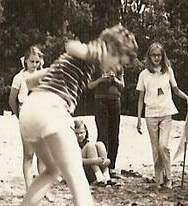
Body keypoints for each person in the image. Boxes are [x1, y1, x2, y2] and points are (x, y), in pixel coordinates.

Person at [18, 24, 138, 206]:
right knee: (78, 180)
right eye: (120, 61)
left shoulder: (72, 64)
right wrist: (98, 50)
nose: (118, 67)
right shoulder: (92, 54)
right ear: (111, 50)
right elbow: (71, 45)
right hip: (52, 109)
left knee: (52, 170)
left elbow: (30, 80)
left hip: (30, 111)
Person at [135, 42, 188, 189]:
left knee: (163, 146)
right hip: (150, 115)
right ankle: (159, 179)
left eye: (159, 55)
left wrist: (187, 98)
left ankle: (169, 177)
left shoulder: (168, 71)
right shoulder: (143, 74)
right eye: (153, 55)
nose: (156, 58)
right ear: (149, 56)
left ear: (163, 56)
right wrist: (138, 119)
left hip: (166, 112)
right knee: (155, 150)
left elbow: (176, 90)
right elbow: (141, 98)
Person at [9, 46, 48, 189]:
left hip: (41, 114)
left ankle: (42, 189)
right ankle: (29, 188)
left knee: (42, 154)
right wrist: (19, 116)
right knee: (29, 153)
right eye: (32, 61)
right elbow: (12, 99)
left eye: (37, 61)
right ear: (25, 61)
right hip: (25, 112)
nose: (35, 64)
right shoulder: (19, 77)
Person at [87, 66, 124, 175]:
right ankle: (103, 167)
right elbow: (89, 85)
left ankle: (112, 166)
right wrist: (101, 80)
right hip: (100, 100)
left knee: (114, 135)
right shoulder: (94, 65)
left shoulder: (118, 65)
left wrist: (114, 80)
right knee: (103, 135)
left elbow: (122, 86)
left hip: (115, 101)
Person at [73, 119, 116, 187]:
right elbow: (74, 161)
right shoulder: (71, 145)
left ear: (85, 132)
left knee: (99, 144)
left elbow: (107, 161)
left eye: (81, 133)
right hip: (80, 171)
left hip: (91, 168)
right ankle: (99, 176)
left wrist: (106, 161)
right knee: (90, 146)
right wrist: (95, 161)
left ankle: (106, 177)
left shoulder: (86, 142)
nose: (79, 136)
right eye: (76, 133)